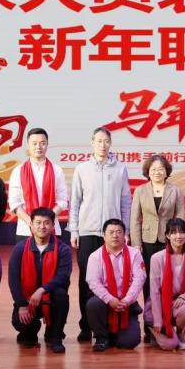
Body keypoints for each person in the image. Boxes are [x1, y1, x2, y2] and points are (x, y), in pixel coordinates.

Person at [68, 127, 133, 343]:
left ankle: (109, 325)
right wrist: (74, 230)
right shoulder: (82, 169)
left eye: (106, 141)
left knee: (113, 278)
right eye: (98, 141)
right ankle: (86, 326)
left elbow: (126, 201)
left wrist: (126, 230)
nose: (102, 145)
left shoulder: (120, 169)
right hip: (87, 231)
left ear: (110, 143)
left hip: (113, 234)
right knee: (86, 281)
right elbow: (75, 201)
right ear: (92, 143)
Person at [8, 207, 71, 353]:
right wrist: (21, 305)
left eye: (47, 223)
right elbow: (13, 280)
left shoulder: (62, 249)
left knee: (61, 294)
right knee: (20, 325)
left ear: (53, 226)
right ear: (31, 224)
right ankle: (30, 331)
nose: (42, 226)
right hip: (28, 300)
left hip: (51, 298)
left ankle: (55, 336)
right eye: (38, 222)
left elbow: (63, 277)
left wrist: (42, 290)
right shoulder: (20, 248)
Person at [131, 154, 185, 309]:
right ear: (148, 172)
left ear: (166, 171)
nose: (157, 172)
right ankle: (150, 315)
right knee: (149, 278)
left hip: (169, 240)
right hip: (147, 241)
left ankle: (168, 314)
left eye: (161, 169)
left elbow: (180, 218)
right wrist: (136, 244)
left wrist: (177, 240)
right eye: (153, 169)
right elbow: (135, 219)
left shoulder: (175, 190)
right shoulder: (140, 191)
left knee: (169, 277)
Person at [84, 218, 146, 352]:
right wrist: (110, 299)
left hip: (126, 304)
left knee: (129, 343)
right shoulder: (95, 256)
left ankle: (115, 335)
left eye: (119, 232)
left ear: (125, 235)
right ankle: (101, 337)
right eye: (111, 232)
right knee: (93, 304)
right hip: (105, 302)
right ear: (104, 235)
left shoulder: (135, 254)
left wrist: (127, 300)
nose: (115, 235)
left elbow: (139, 279)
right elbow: (93, 282)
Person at [146, 217, 185, 351]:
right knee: (170, 345)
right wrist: (157, 319)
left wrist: (184, 297)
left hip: (177, 304)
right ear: (167, 236)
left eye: (182, 232)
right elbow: (154, 292)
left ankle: (181, 336)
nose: (178, 236)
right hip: (158, 305)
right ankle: (156, 330)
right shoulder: (157, 258)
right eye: (174, 232)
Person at [8, 128, 67, 240]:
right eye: (34, 143)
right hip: (25, 229)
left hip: (51, 228)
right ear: (28, 145)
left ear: (47, 145)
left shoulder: (57, 170)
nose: (38, 147)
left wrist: (47, 219)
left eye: (42, 143)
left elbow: (62, 200)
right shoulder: (18, 171)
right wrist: (30, 221)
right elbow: (14, 203)